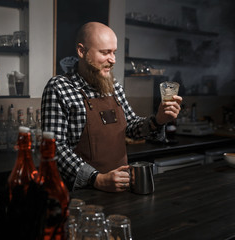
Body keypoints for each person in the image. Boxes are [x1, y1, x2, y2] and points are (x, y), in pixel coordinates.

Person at [41, 22, 182, 192]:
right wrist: (96, 178)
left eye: (114, 52)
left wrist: (158, 120)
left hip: (120, 187)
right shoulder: (59, 87)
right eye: (105, 52)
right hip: (81, 194)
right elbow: (54, 147)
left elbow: (130, 126)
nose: (113, 60)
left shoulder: (112, 85)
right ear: (81, 51)